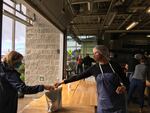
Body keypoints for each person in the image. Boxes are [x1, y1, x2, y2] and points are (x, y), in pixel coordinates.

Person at [55, 45, 128, 113]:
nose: (93, 55)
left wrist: (123, 87)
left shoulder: (115, 65)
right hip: (103, 103)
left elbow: (126, 81)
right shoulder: (94, 68)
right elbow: (79, 76)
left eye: (95, 53)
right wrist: (63, 82)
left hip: (118, 102)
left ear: (102, 53)